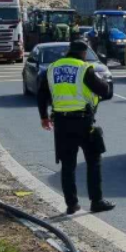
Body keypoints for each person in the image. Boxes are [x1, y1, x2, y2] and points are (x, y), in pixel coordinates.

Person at [37, 40, 115, 215]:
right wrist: (104, 82)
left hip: (61, 123)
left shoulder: (52, 68)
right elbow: (104, 91)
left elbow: (42, 94)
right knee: (93, 161)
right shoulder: (83, 68)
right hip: (83, 121)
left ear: (69, 50)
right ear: (84, 53)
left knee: (67, 164)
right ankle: (96, 201)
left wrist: (43, 116)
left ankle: (71, 204)